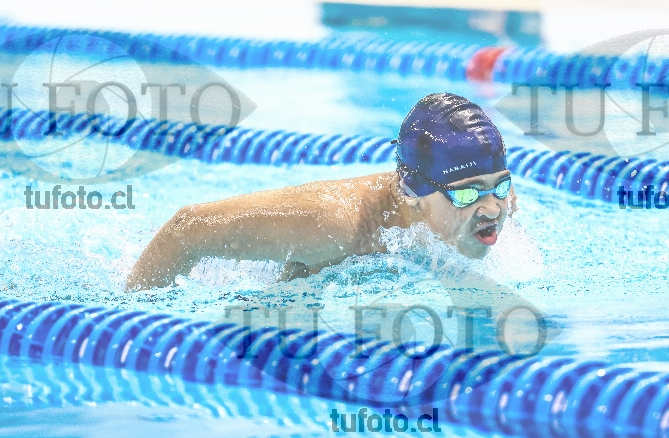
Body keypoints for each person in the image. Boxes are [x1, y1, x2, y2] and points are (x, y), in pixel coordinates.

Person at [125, 93, 516, 292]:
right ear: (412, 192)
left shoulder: (497, 203)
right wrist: (138, 313)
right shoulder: (333, 224)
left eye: (499, 185)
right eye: (468, 194)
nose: (492, 209)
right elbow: (186, 228)